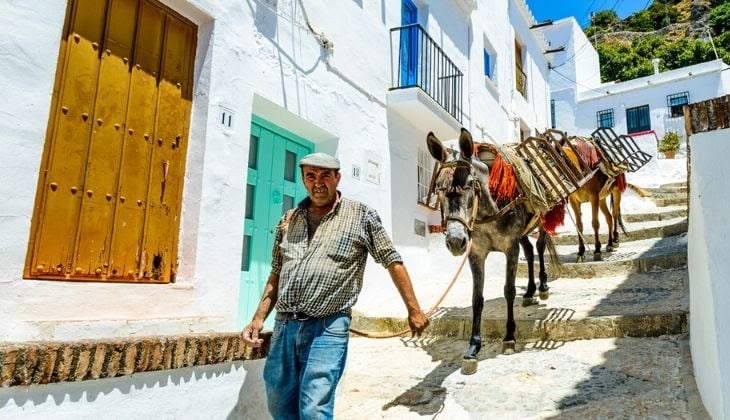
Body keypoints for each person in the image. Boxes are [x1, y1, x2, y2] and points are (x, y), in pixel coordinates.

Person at [241, 152, 429, 419]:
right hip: (285, 327)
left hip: (327, 327)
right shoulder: (288, 219)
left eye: (325, 175)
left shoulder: (362, 216)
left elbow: (392, 261)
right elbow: (276, 273)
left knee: (314, 408)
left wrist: (414, 310)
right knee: (279, 403)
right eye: (311, 176)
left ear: (337, 178)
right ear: (304, 181)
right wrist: (258, 318)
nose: (318, 183)